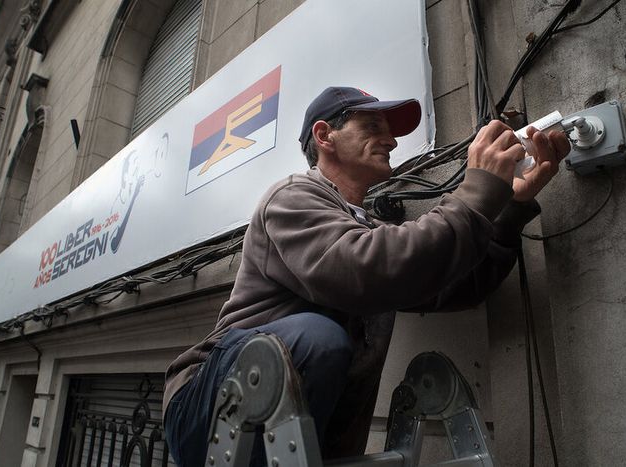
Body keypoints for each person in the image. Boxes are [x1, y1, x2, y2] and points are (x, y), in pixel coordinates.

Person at [163, 86, 570, 466]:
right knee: (317, 338)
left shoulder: (366, 229)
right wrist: (476, 190)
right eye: (373, 126)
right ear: (324, 135)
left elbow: (457, 286)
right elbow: (365, 271)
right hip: (208, 408)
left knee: (321, 341)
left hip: (306, 432)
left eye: (390, 131)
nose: (391, 140)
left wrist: (510, 207)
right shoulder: (290, 198)